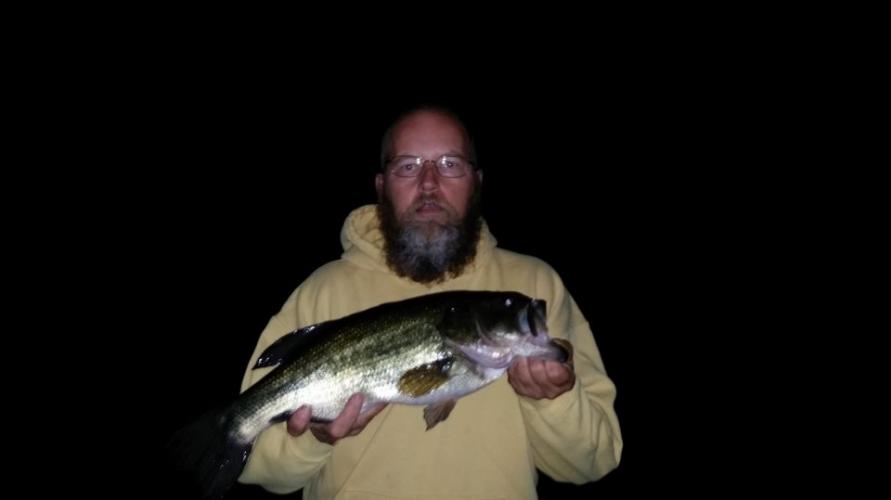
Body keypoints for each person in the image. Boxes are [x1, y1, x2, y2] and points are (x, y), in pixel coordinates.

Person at [237, 105, 622, 499]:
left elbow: (595, 461)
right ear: (381, 184)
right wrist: (314, 436)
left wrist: (553, 401)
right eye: (408, 166)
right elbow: (258, 468)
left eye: (450, 164)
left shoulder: (536, 285)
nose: (429, 183)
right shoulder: (322, 290)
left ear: (476, 180)